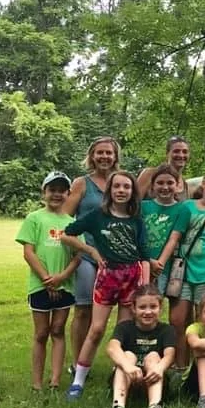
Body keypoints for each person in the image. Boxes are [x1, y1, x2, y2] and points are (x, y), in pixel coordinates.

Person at [62, 171, 151, 400]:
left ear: (132, 192)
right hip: (107, 277)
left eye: (126, 187)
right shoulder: (97, 216)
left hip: (131, 278)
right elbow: (67, 234)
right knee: (97, 328)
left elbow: (144, 254)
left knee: (122, 332)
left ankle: (118, 375)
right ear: (110, 190)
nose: (121, 191)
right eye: (117, 187)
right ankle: (79, 379)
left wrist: (147, 285)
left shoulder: (136, 219)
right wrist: (91, 250)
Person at [156, 168, 205, 370]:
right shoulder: (187, 207)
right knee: (177, 321)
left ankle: (202, 368)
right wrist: (162, 262)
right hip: (181, 275)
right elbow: (175, 237)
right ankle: (180, 366)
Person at [16, 171, 82, 391]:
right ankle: (36, 382)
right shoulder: (34, 218)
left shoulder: (72, 223)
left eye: (61, 190)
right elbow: (29, 252)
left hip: (65, 284)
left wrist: (62, 277)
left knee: (58, 330)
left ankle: (55, 380)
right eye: (52, 190)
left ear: (68, 194)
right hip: (40, 284)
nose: (56, 194)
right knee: (41, 333)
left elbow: (78, 256)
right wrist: (46, 279)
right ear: (44, 192)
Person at [63, 136, 119, 371]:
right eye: (100, 152)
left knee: (109, 313)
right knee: (84, 309)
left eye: (109, 153)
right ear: (92, 156)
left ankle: (116, 361)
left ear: (116, 157)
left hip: (115, 258)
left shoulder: (121, 182)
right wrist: (87, 249)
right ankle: (78, 364)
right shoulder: (81, 183)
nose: (104, 157)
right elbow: (65, 220)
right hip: (86, 256)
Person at [105, 284, 175, 408]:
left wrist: (160, 368)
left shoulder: (166, 330)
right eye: (142, 307)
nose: (148, 312)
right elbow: (112, 347)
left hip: (154, 378)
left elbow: (169, 355)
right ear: (133, 309)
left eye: (153, 307)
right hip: (127, 380)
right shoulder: (124, 327)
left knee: (154, 356)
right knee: (128, 355)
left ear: (160, 308)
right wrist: (128, 366)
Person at [140, 164, 184, 293]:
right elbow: (137, 237)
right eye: (160, 183)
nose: (165, 187)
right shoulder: (143, 206)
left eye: (170, 183)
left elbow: (173, 239)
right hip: (141, 262)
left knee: (154, 302)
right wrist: (148, 261)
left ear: (177, 185)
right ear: (152, 185)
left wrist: (159, 265)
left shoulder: (182, 209)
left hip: (163, 267)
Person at [136, 135, 195, 201]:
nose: (181, 155)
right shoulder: (149, 174)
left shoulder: (185, 186)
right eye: (176, 151)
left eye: (185, 152)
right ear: (167, 154)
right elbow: (133, 203)